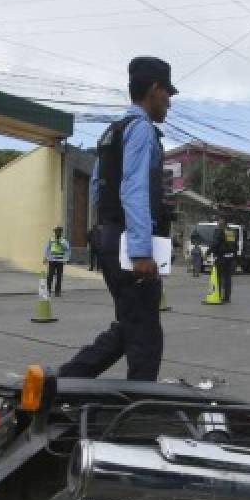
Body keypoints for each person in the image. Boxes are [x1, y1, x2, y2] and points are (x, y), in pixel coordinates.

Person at [59, 56, 175, 382]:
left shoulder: (113, 132)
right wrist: (139, 250)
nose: (169, 101)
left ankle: (64, 382)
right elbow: (134, 188)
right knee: (146, 340)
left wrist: (106, 234)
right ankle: (138, 413)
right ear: (154, 89)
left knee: (130, 327)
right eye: (167, 93)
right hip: (128, 246)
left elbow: (98, 188)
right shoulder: (140, 130)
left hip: (110, 238)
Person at [210, 216, 238, 302]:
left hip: (222, 257)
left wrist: (209, 252)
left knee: (218, 277)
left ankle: (218, 295)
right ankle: (227, 297)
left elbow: (215, 243)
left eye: (219, 220)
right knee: (228, 278)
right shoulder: (231, 231)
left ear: (222, 221)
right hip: (230, 258)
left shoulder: (219, 231)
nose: (218, 222)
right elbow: (235, 245)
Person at [44, 226, 71, 297]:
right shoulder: (51, 239)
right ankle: (48, 290)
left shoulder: (64, 241)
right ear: (55, 232)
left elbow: (67, 250)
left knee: (59, 277)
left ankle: (57, 291)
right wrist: (46, 257)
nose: (57, 233)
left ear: (61, 233)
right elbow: (47, 248)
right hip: (52, 260)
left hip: (60, 261)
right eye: (56, 232)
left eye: (59, 232)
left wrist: (66, 259)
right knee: (50, 276)